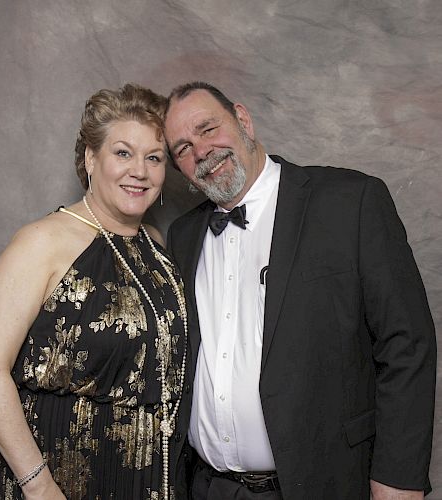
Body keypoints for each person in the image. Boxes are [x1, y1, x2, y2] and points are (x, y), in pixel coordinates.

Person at [164, 82, 436, 500]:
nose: (200, 151)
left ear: (243, 119)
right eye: (182, 148)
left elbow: (408, 345)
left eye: (207, 128)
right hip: (205, 487)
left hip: (320, 484)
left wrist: (398, 478)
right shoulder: (183, 236)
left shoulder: (350, 202)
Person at [0, 84, 188, 500]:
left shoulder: (156, 248)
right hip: (64, 480)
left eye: (153, 158)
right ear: (90, 159)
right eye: (123, 153)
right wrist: (40, 488)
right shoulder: (43, 241)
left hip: (151, 479)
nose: (139, 170)